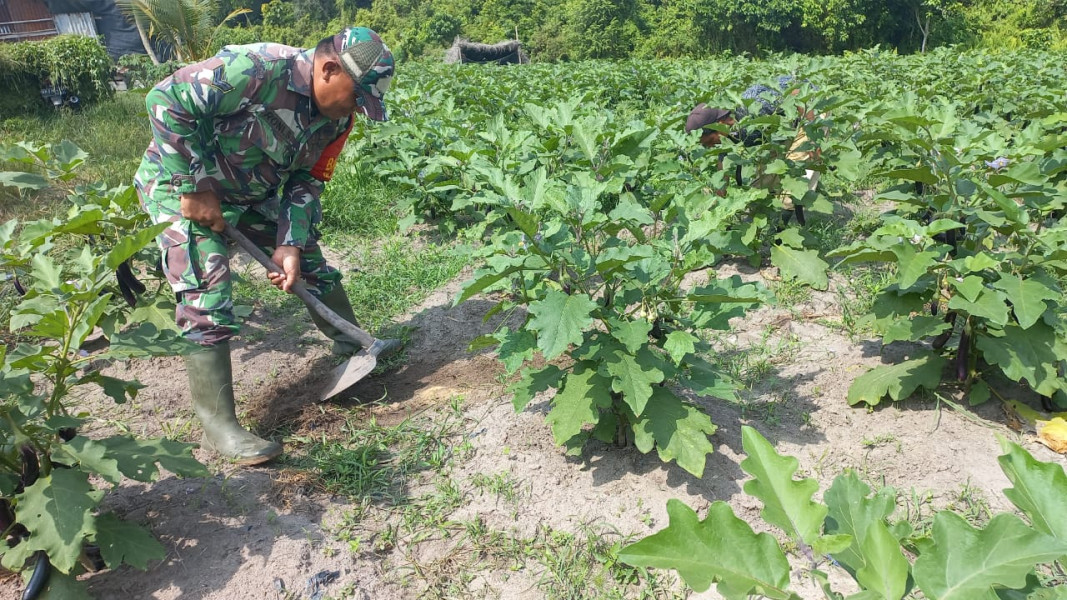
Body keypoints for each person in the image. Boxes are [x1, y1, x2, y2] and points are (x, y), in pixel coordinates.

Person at [134, 27, 396, 465]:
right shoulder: (257, 69)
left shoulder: (339, 119)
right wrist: (193, 186)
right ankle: (220, 428)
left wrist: (289, 244)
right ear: (329, 69)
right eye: (356, 97)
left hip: (251, 193)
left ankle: (352, 343)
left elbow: (308, 179)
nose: (356, 111)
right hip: (178, 186)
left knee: (309, 263)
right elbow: (164, 100)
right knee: (207, 287)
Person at [685, 76, 823, 223]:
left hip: (810, 109)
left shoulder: (754, 105)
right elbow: (722, 169)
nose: (712, 147)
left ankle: (785, 227)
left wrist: (812, 136)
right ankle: (761, 221)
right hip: (782, 127)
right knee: (762, 183)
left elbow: (798, 91)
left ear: (719, 124)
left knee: (794, 172)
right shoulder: (727, 133)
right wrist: (717, 209)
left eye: (711, 141)